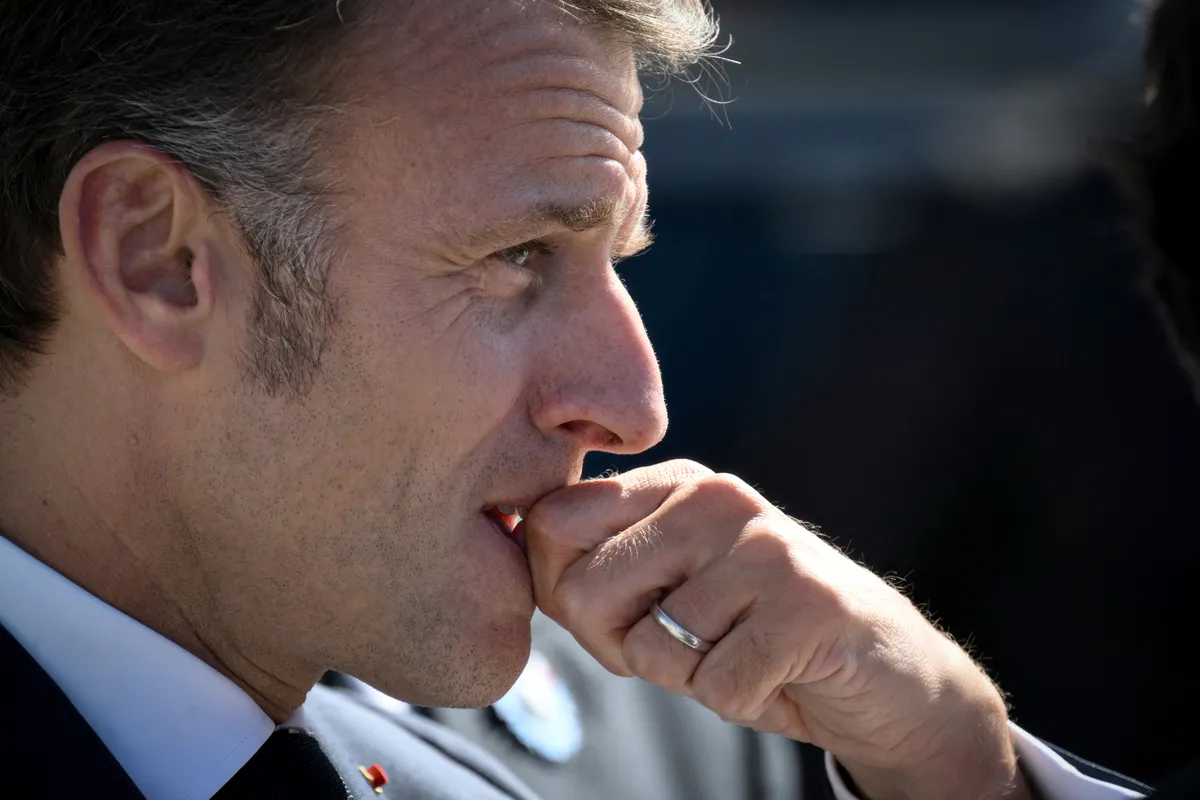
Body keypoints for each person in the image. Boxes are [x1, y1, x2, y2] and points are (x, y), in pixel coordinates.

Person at [0, 3, 1175, 800]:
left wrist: (957, 763)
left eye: (617, 262)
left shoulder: (697, 743)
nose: (633, 406)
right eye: (517, 257)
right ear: (158, 259)